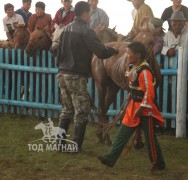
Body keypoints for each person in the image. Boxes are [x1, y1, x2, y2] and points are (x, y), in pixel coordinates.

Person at [56, 1, 118, 152]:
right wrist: (115, 50)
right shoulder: (86, 31)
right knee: (82, 110)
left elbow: (57, 52)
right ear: (84, 14)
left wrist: (61, 67)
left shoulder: (65, 30)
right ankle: (76, 147)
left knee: (67, 109)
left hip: (62, 73)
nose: (90, 16)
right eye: (89, 13)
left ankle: (59, 144)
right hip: (76, 75)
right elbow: (101, 52)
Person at [98, 42, 166, 171]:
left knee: (150, 139)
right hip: (133, 107)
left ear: (138, 55)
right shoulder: (132, 68)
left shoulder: (145, 72)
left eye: (129, 53)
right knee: (122, 133)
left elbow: (149, 93)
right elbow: (134, 87)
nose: (126, 55)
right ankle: (110, 158)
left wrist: (141, 108)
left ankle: (159, 164)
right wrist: (131, 98)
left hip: (146, 110)